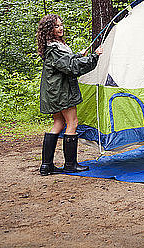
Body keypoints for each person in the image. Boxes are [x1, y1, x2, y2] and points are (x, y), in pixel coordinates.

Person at [36, 14, 103, 176]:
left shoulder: (54, 47)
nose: (61, 28)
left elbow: (67, 61)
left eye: (61, 25)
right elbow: (71, 67)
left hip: (54, 91)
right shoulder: (54, 49)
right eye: (57, 26)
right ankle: (70, 165)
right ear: (49, 30)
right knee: (72, 122)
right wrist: (94, 56)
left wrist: (79, 55)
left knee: (58, 123)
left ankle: (47, 165)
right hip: (61, 92)